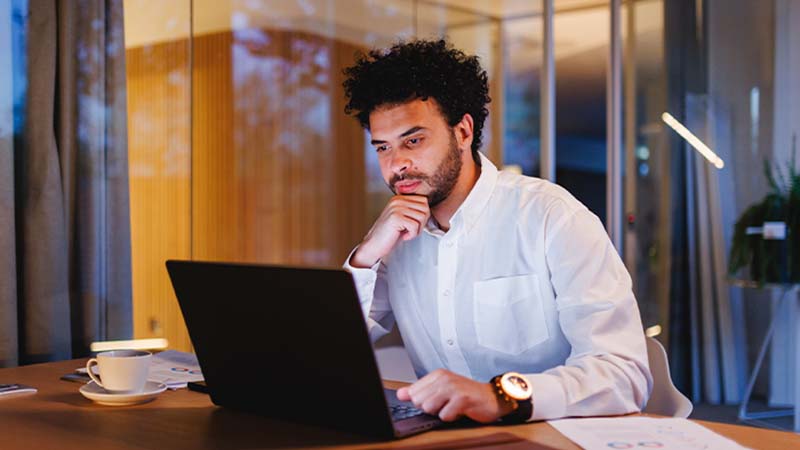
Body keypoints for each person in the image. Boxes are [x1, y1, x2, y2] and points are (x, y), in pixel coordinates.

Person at [342, 39, 652, 424]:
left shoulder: (552, 218)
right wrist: (367, 254)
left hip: (550, 436)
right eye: (383, 148)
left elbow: (623, 374)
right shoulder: (395, 240)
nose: (397, 164)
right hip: (444, 438)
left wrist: (500, 395)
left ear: (463, 131)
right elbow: (331, 350)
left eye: (414, 140)